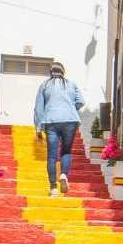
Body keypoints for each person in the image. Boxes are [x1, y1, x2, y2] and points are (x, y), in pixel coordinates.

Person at [32, 62, 86, 196]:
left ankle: (53, 188)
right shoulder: (71, 84)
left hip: (51, 121)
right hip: (70, 120)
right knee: (66, 151)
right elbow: (81, 101)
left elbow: (38, 108)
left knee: (52, 155)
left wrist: (38, 128)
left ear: (51, 72)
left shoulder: (44, 85)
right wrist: (71, 108)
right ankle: (63, 175)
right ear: (63, 72)